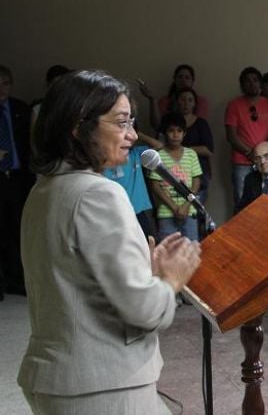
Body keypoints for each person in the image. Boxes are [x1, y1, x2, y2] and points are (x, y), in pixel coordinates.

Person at [18, 70, 201, 413]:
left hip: (57, 377)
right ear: (78, 125)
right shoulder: (99, 194)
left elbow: (73, 278)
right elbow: (145, 311)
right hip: (103, 383)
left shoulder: (41, 190)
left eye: (132, 121)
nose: (132, 134)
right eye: (121, 122)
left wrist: (142, 269)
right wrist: (170, 279)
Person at [0, 65, 35, 298]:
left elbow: (30, 144)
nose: (1, 88)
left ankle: (17, 279)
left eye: (5, 83)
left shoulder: (21, 109)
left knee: (18, 229)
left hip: (17, 178)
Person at [225, 66, 268, 206]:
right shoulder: (234, 105)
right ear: (242, 84)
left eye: (255, 80)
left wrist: (265, 153)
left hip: (267, 160)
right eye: (248, 81)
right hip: (242, 161)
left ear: (260, 83)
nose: (252, 84)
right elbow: (231, 135)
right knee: (242, 200)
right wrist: (250, 152)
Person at [148, 113, 203, 241]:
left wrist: (186, 205)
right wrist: (173, 207)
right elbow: (155, 186)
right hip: (166, 212)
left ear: (184, 133)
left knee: (191, 249)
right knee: (168, 251)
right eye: (171, 131)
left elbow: (196, 182)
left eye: (179, 131)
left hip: (189, 210)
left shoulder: (191, 154)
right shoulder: (159, 156)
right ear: (165, 133)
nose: (175, 134)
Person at [174, 87, 214, 203]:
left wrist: (183, 149)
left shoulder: (201, 123)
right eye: (183, 99)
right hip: (174, 171)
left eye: (190, 100)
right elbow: (161, 144)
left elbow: (209, 150)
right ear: (177, 102)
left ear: (195, 104)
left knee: (196, 212)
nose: (186, 103)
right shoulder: (169, 122)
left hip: (198, 172)